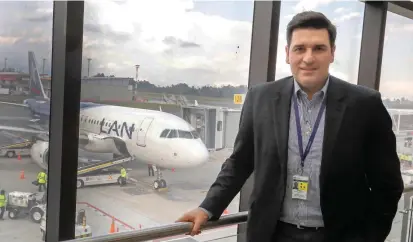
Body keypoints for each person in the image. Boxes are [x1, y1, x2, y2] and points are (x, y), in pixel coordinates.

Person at [176, 11, 404, 242]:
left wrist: (369, 237)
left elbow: (388, 184)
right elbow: (240, 162)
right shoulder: (260, 98)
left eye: (318, 48)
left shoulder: (364, 105)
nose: (308, 58)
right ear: (287, 54)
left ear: (332, 53)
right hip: (272, 234)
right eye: (300, 48)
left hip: (338, 236)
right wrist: (207, 208)